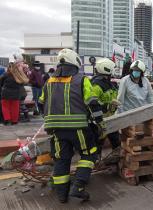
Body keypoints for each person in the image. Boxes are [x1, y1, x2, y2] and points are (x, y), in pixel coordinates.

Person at [38, 49, 103, 203]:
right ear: (75, 62)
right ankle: (78, 186)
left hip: (56, 130)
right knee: (89, 152)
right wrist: (100, 122)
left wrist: (50, 119)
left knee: (62, 159)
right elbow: (92, 102)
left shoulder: (49, 82)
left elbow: (41, 104)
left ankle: (62, 195)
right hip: (78, 128)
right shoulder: (81, 79)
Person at [90, 58, 120, 152]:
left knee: (117, 143)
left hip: (110, 119)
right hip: (99, 122)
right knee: (97, 145)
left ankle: (116, 162)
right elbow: (92, 104)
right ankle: (96, 163)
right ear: (106, 69)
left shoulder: (109, 83)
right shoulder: (96, 85)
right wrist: (107, 106)